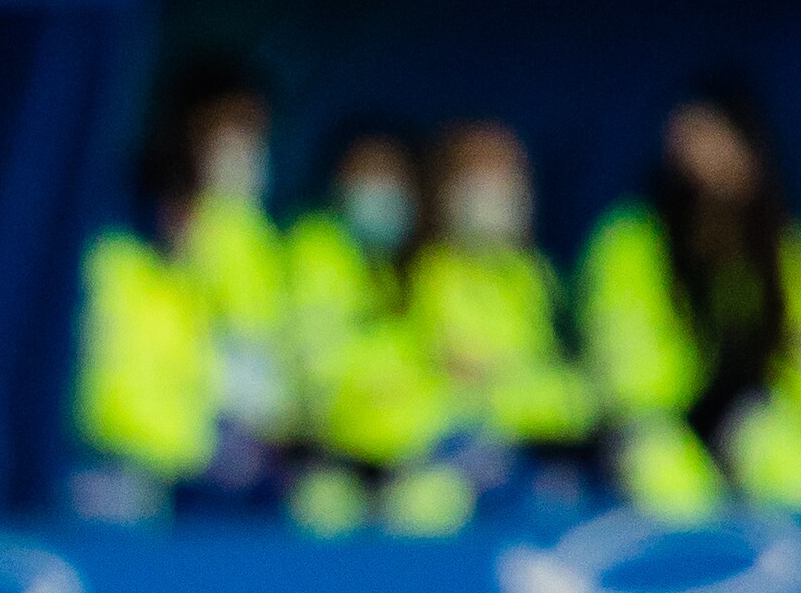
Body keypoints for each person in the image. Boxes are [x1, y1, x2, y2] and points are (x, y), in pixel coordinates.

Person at [77, 60, 290, 518]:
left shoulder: (247, 236)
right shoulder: (112, 227)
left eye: (253, 131)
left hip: (208, 474)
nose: (242, 146)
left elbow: (258, 365)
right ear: (185, 129)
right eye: (229, 127)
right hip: (111, 462)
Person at [580, 83, 801, 520]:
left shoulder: (782, 252)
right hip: (658, 421)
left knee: (784, 461)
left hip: (753, 418)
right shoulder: (629, 242)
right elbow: (625, 369)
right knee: (670, 477)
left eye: (717, 142)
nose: (703, 162)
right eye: (688, 144)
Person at [283, 121, 472, 537]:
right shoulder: (315, 250)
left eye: (391, 176)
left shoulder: (427, 266)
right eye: (366, 175)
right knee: (321, 508)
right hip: (330, 458)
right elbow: (319, 373)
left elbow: (467, 373)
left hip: (416, 460)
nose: (380, 189)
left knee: (437, 505)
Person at [409, 122, 602, 476]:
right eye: (480, 172)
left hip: (543, 447)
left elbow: (572, 382)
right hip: (451, 453)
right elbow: (461, 380)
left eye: (507, 173)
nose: (496, 188)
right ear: (446, 186)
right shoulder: (424, 273)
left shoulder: (538, 275)